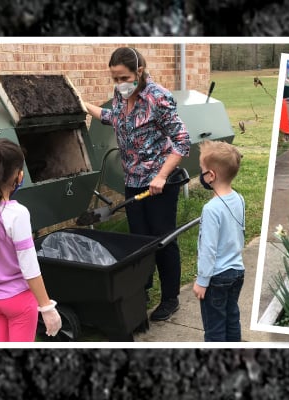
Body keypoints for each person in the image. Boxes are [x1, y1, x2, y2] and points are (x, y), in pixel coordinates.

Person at [83, 47, 190, 321]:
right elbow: (111, 118)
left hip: (159, 184)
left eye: (123, 77)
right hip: (133, 182)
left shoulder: (158, 97)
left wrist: (162, 176)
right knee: (139, 242)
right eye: (114, 79)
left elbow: (181, 142)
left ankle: (170, 299)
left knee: (162, 240)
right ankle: (142, 290)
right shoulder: (121, 98)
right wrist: (83, 104)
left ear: (138, 72)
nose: (119, 84)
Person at [0, 137, 61, 342]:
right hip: (18, 302)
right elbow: (30, 267)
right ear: (16, 176)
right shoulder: (17, 213)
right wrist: (46, 307)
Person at [193, 140, 245, 342]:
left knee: (214, 328)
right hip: (237, 272)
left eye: (202, 169)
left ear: (211, 176)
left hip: (217, 278)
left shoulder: (211, 209)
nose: (201, 173)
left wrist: (202, 281)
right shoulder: (239, 198)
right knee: (232, 319)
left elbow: (208, 249)